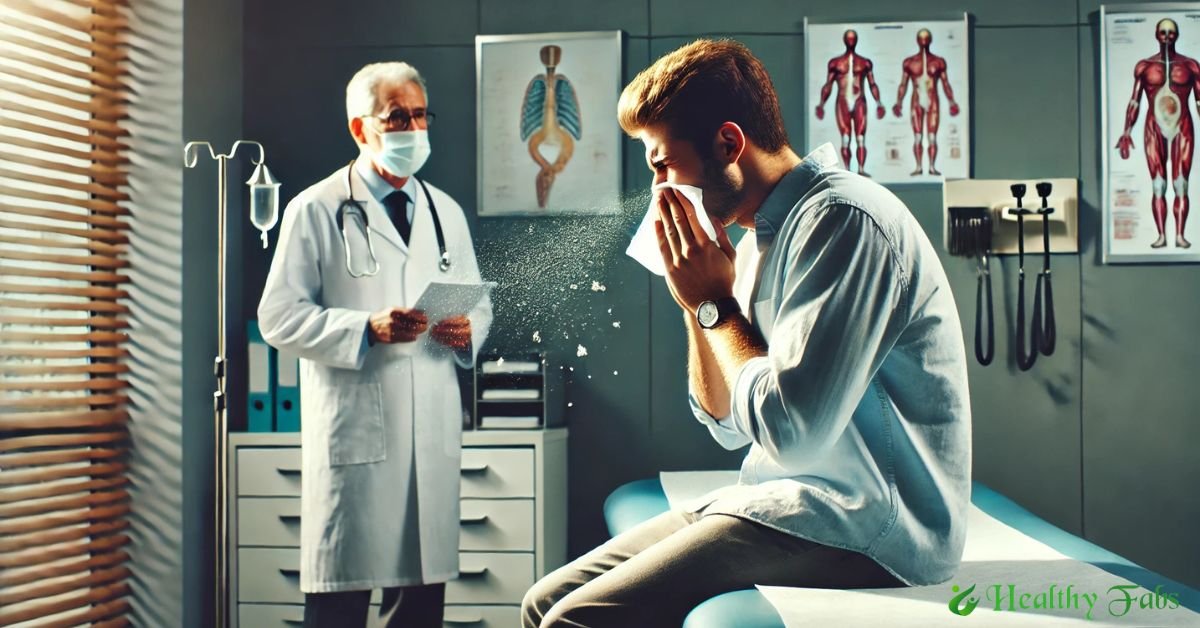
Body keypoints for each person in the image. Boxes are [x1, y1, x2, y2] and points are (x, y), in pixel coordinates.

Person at [521, 39, 971, 627]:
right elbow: (727, 424)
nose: (658, 187)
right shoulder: (759, 238)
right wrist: (693, 298)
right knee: (542, 602)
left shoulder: (843, 222)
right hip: (781, 503)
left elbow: (792, 434)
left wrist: (714, 305)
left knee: (574, 621)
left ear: (729, 144)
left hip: (869, 523)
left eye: (662, 163)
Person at [257, 61, 492, 628]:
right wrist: (366, 329)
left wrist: (468, 330)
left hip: (430, 425)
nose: (413, 128)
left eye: (419, 114)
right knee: (339, 605)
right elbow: (277, 317)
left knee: (418, 607)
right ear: (362, 130)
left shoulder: (446, 212)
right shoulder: (314, 209)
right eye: (396, 116)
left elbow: (477, 305)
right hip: (356, 434)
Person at [1116, 18, 1196, 249]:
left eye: (1171, 32)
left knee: (1181, 184)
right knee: (1158, 185)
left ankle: (1179, 235)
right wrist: (1126, 131)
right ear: (1156, 34)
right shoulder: (1145, 67)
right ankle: (1161, 235)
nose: (1167, 36)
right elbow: (1135, 101)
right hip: (1154, 127)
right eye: (1163, 32)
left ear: (1177, 35)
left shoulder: (1190, 66)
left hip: (1182, 126)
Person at [814, 29, 886, 176]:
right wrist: (821, 103)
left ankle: (860, 169)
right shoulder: (836, 63)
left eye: (853, 38)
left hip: (859, 101)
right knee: (845, 138)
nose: (851, 41)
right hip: (843, 102)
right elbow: (828, 85)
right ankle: (848, 170)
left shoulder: (865, 63)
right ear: (845, 40)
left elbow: (872, 84)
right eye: (849, 38)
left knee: (860, 138)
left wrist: (879, 103)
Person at [893, 28, 960, 176]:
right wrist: (899, 102)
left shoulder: (938, 62)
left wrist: (952, 102)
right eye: (921, 38)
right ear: (918, 40)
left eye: (926, 38)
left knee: (932, 137)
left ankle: (931, 166)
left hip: (932, 100)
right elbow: (903, 84)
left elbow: (945, 83)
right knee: (917, 136)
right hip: (916, 100)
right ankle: (918, 166)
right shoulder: (909, 62)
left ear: (930, 40)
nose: (924, 41)